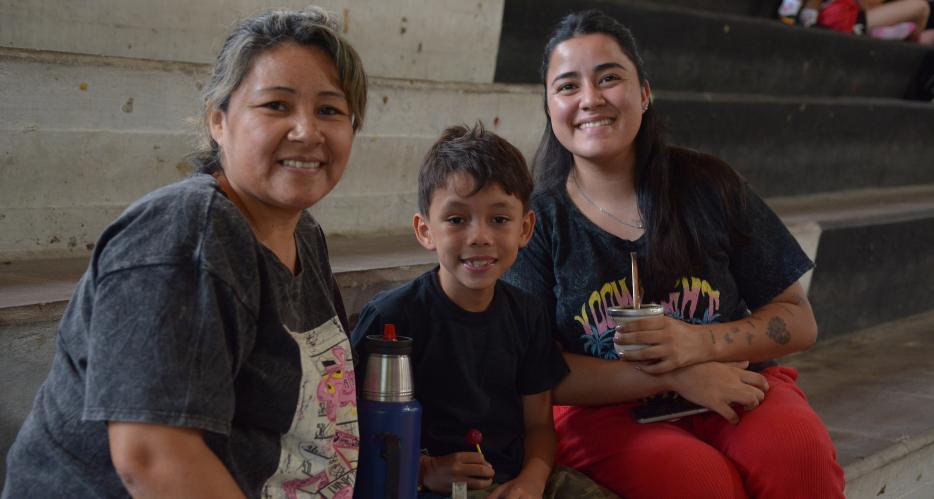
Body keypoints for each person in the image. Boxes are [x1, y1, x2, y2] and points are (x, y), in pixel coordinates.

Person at [3, 8, 366, 498]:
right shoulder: (187, 235)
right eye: (276, 105)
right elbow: (152, 456)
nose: (307, 131)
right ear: (218, 121)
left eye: (329, 110)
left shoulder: (304, 234)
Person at [503, 10, 846, 499]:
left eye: (609, 78)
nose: (590, 99)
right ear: (550, 107)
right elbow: (538, 370)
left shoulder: (709, 184)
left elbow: (797, 319)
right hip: (607, 412)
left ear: (644, 93)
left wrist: (699, 346)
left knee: (798, 454)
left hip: (732, 381)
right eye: (567, 86)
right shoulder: (538, 223)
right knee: (698, 483)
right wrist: (677, 373)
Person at [351, 124, 617, 499]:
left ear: (525, 229)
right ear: (425, 230)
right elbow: (350, 428)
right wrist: (424, 470)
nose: (480, 236)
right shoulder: (392, 316)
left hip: (516, 480)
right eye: (457, 220)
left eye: (499, 219)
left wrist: (531, 482)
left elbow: (539, 425)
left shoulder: (527, 314)